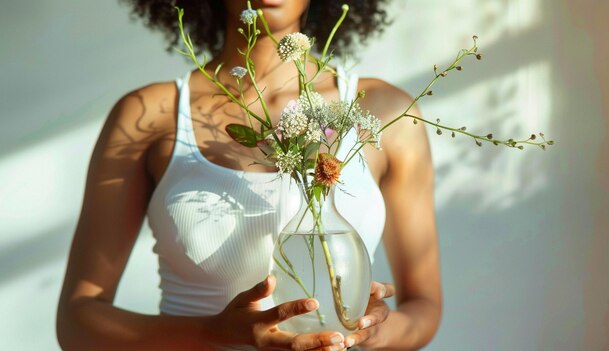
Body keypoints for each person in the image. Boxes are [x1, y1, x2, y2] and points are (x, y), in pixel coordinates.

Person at [56, 0, 442, 350]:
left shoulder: (384, 112)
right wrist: (214, 332)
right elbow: (78, 322)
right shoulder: (148, 115)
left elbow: (424, 306)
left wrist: (375, 333)